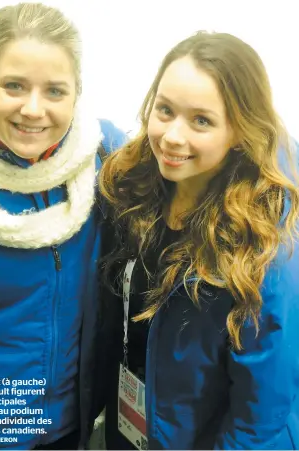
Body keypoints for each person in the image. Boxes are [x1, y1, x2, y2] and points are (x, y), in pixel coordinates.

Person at [0, 3, 126, 449]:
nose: (34, 110)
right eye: (14, 86)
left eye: (55, 91)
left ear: (78, 92)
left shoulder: (98, 156)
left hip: (68, 423)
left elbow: (189, 156)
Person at [98, 31, 299, 450]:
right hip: (130, 429)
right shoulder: (138, 185)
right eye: (165, 110)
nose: (172, 136)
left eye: (201, 121)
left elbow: (259, 418)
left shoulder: (263, 247)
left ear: (241, 132)